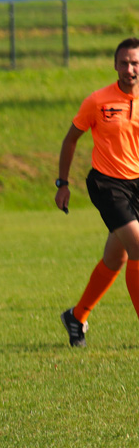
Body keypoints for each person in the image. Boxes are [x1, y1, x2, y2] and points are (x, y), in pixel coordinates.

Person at [57, 37, 139, 347]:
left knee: (115, 258)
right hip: (107, 184)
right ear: (115, 65)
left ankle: (77, 316)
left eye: (135, 62)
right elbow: (70, 140)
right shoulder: (98, 101)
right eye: (124, 62)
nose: (129, 68)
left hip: (137, 185)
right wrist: (63, 184)